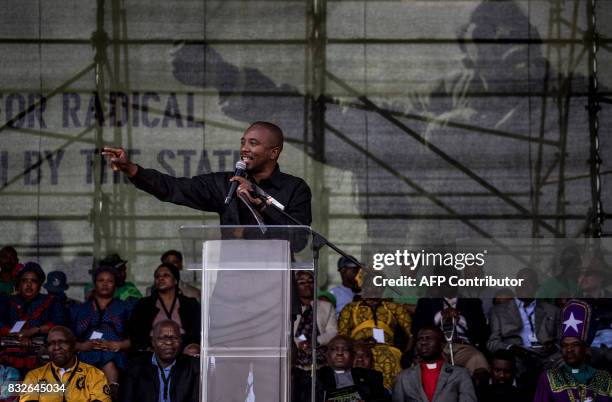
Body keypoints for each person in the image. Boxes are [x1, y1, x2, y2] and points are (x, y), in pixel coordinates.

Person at [102, 121, 312, 227]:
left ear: (274, 152)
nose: (244, 148)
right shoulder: (225, 184)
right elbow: (174, 188)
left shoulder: (295, 188)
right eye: (243, 142)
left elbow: (299, 237)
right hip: (231, 289)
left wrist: (259, 202)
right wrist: (131, 169)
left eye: (253, 143)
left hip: (275, 288)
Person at [487, 268, 561, 391]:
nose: (524, 286)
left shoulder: (552, 310)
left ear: (537, 286)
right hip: (517, 355)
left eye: (529, 282)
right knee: (520, 367)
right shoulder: (499, 311)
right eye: (521, 281)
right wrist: (511, 348)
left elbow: (561, 341)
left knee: (567, 363)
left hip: (547, 356)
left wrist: (554, 346)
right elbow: (492, 343)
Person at [534, 300, 612, 402]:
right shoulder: (548, 378)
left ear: (586, 348)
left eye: (575, 345)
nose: (569, 349)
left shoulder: (604, 379)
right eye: (565, 345)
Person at [70, 266, 132, 393]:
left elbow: (134, 340)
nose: (105, 284)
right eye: (101, 280)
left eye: (110, 281)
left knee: (108, 358)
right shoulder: (79, 309)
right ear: (94, 284)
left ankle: (112, 393)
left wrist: (117, 344)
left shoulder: (125, 308)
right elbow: (66, 339)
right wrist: (82, 346)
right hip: (84, 353)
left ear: (115, 285)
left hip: (114, 354)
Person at [0, 263, 67, 375]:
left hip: (42, 353)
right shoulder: (7, 301)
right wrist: (18, 335)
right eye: (24, 281)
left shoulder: (51, 301)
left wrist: (35, 330)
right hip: (10, 354)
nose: (29, 285)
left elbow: (59, 323)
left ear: (40, 284)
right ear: (19, 284)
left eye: (33, 281)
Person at [411, 288, 490, 378]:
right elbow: (416, 329)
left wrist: (460, 319)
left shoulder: (473, 303)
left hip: (463, 346)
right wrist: (440, 315)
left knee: (478, 360)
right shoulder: (426, 302)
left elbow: (483, 331)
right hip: (435, 346)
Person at [19, 326, 111, 402]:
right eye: (51, 344)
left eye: (62, 342)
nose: (56, 347)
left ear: (73, 345)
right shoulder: (34, 376)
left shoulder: (94, 374)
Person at [338, 297, 412, 390]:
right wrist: (359, 343)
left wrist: (407, 354)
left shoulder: (393, 307)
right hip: (358, 349)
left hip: (387, 350)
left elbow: (412, 334)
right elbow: (342, 338)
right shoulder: (350, 308)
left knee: (389, 358)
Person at [129, 263, 200, 356]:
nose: (160, 278)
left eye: (166, 275)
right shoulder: (144, 304)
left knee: (193, 351)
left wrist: (192, 345)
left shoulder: (190, 304)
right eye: (157, 276)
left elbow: (197, 330)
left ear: (175, 280)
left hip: (183, 348)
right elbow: (135, 332)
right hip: (153, 349)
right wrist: (149, 348)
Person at [121, 320, 199, 402]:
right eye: (162, 338)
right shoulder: (134, 368)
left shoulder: (193, 367)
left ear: (181, 341)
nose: (169, 342)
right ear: (153, 342)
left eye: (175, 338)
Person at [393, 326, 477, 402]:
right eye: (420, 339)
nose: (423, 342)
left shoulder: (460, 374)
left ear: (442, 345)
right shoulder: (403, 377)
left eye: (428, 338)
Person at [292, 271, 338, 402]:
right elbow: (285, 332)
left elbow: (332, 332)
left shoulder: (326, 306)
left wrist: (314, 342)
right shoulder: (288, 307)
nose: (307, 285)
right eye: (302, 282)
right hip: (296, 365)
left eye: (310, 281)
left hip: (321, 364)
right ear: (294, 286)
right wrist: (299, 343)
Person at [316, 335, 389, 402]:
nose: (340, 353)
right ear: (327, 354)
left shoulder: (372, 377)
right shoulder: (317, 378)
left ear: (352, 355)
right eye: (335, 349)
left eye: (345, 349)